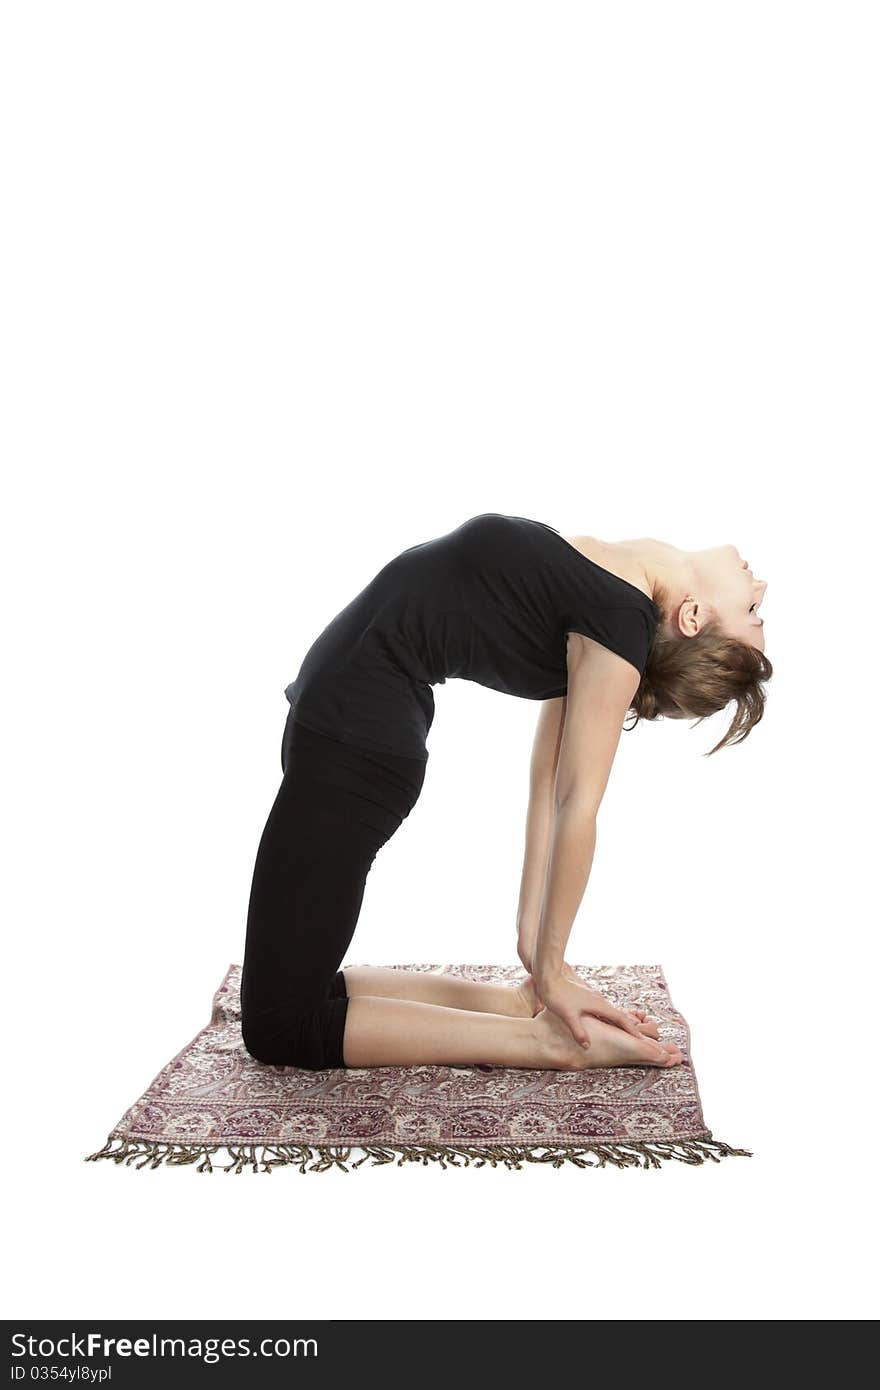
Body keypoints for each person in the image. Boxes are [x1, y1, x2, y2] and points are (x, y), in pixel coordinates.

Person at [240, 512, 771, 1072]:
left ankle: (548, 1044)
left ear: (693, 616)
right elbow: (545, 786)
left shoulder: (618, 618)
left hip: (354, 746)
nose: (759, 587)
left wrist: (556, 962)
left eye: (752, 611)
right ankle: (520, 1008)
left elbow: (576, 805)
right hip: (352, 731)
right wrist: (536, 958)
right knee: (301, 994)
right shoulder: (609, 592)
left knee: (282, 1029)